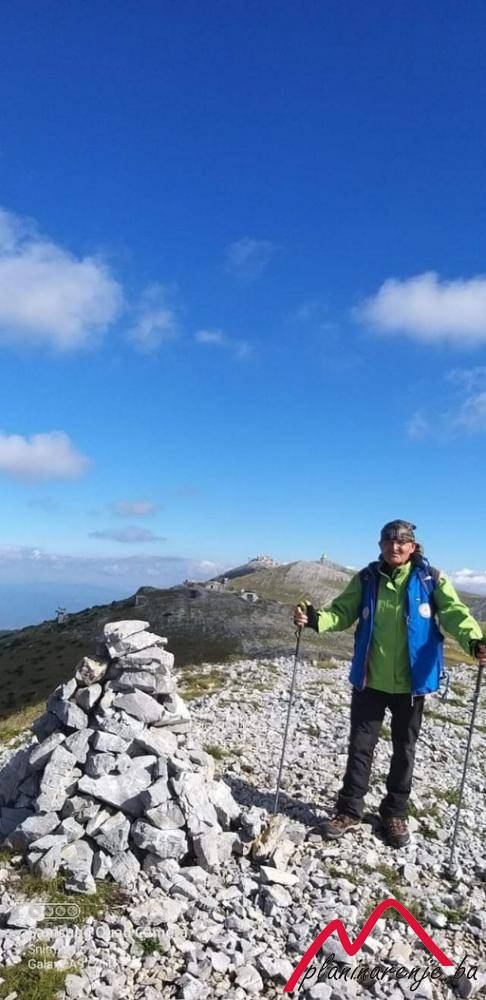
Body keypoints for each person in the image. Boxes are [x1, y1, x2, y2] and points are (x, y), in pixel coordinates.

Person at [293, 520, 486, 848]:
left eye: (401, 542)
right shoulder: (367, 579)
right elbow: (341, 612)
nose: (394, 547)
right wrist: (314, 619)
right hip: (370, 679)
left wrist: (475, 641)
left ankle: (393, 813)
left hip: (412, 684)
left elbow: (456, 615)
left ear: (412, 546)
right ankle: (349, 811)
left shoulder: (430, 579)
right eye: (388, 541)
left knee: (404, 749)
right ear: (380, 545)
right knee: (360, 746)